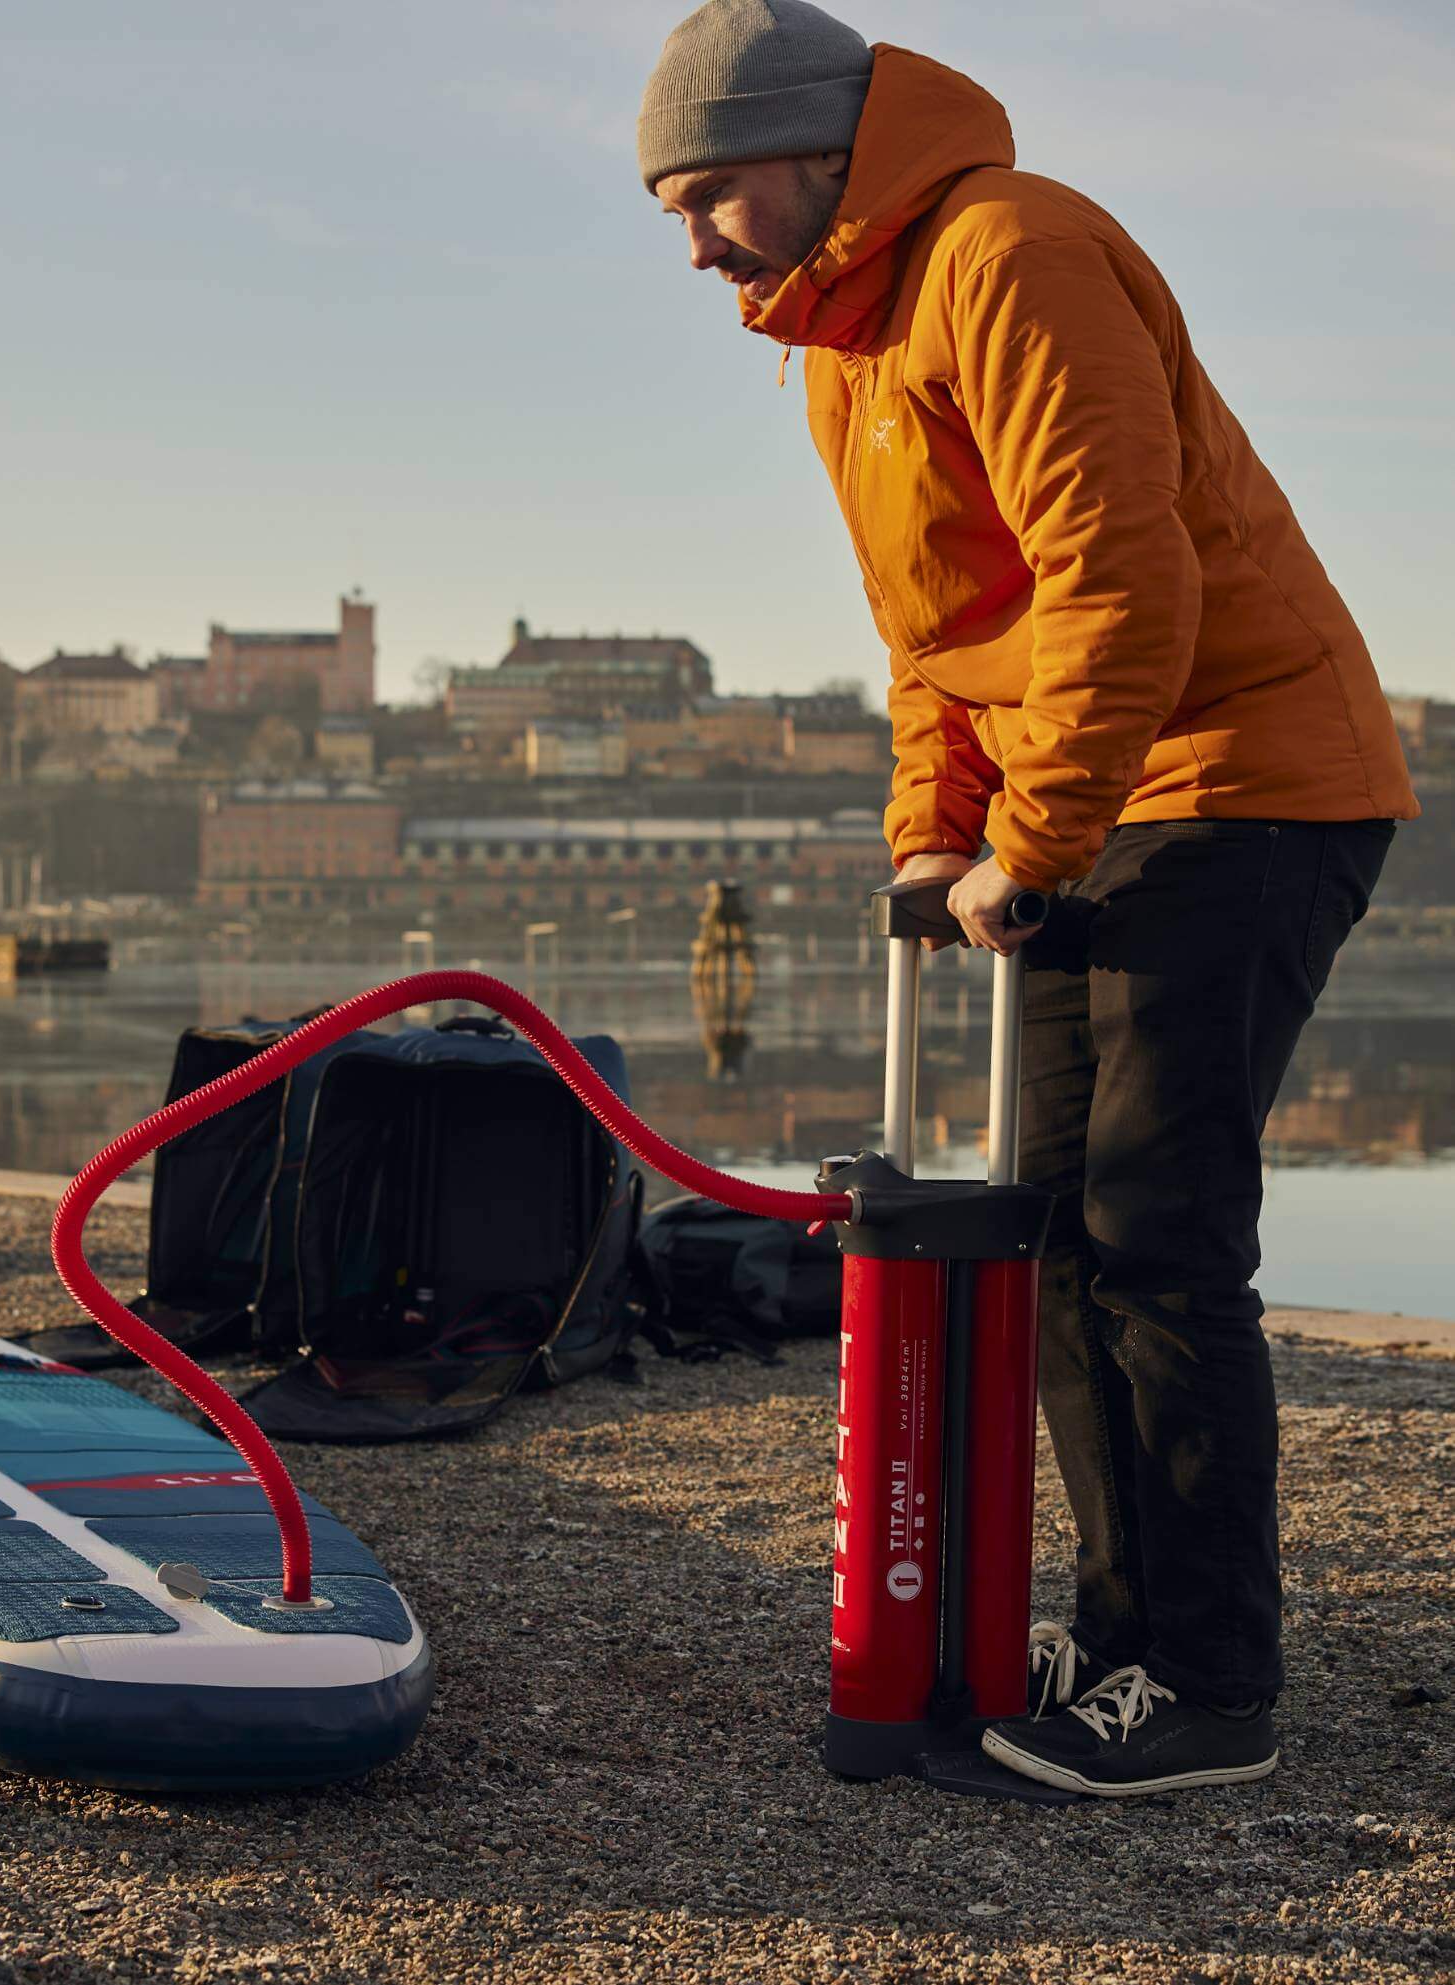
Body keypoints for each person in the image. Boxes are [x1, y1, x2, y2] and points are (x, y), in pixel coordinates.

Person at [638, 1, 1417, 1797]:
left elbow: (1118, 580)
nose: (691, 246)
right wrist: (933, 834)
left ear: (825, 152)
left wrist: (1038, 841)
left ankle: (1213, 1685)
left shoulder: (1015, 249)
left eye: (711, 196)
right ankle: (1123, 1628)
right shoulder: (838, 330)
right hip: (1101, 794)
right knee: (1051, 1236)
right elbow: (935, 634)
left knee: (1154, 1231)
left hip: (1245, 782)